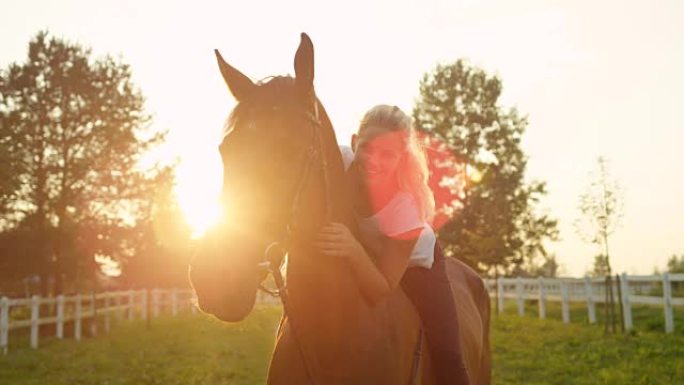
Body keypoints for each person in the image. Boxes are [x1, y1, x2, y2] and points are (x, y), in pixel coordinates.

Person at [316, 105, 471, 385]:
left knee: (448, 353)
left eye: (387, 154)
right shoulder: (338, 160)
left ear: (401, 159)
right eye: (367, 148)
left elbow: (382, 286)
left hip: (417, 267)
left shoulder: (404, 207)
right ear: (354, 143)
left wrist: (352, 248)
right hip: (368, 251)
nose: (374, 160)